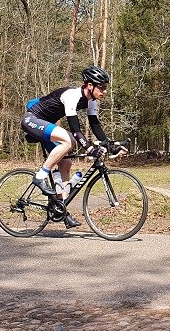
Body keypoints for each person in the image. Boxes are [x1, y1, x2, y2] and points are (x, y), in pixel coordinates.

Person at [21, 65, 126, 228]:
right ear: (89, 85)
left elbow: (95, 125)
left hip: (46, 125)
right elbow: (76, 130)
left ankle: (59, 210)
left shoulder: (91, 101)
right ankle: (40, 177)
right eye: (102, 87)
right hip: (32, 120)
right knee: (68, 140)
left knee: (66, 164)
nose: (104, 91)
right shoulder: (72, 96)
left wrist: (110, 145)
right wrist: (90, 148)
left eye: (105, 88)